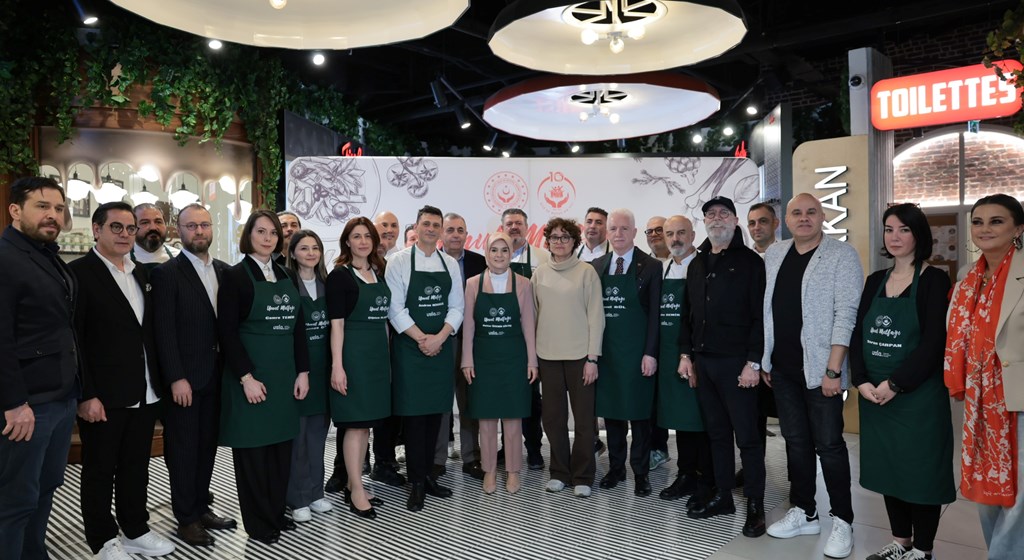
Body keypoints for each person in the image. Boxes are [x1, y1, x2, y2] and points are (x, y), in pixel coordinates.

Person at [848, 203, 954, 560]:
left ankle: (922, 549)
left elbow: (934, 343)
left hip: (917, 396)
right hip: (875, 396)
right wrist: (860, 380)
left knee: (921, 472)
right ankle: (901, 542)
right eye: (889, 229)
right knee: (888, 468)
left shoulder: (934, 280)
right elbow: (857, 333)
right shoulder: (875, 280)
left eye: (904, 229)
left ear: (918, 234)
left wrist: (895, 384)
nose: (895, 237)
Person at [71, 201, 175, 560]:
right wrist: (86, 394)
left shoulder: (141, 273)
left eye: (131, 228)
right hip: (103, 396)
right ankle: (102, 540)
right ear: (96, 230)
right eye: (116, 227)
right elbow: (75, 340)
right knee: (99, 470)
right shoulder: (79, 274)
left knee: (136, 466)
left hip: (144, 391)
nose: (125, 234)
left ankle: (135, 529)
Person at [762, 193, 863, 559]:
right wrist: (765, 359)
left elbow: (846, 314)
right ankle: (805, 511)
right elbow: (767, 310)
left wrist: (834, 369)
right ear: (786, 220)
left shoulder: (842, 255)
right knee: (795, 442)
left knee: (830, 446)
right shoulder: (775, 254)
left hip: (823, 371)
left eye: (811, 212)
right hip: (783, 369)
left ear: (822, 216)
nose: (803, 218)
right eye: (796, 213)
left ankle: (843, 520)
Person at [217, 210, 310, 545]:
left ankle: (275, 513)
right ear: (249, 236)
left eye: (273, 233)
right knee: (254, 455)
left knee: (280, 452)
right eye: (261, 231)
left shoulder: (286, 274)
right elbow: (227, 333)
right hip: (252, 380)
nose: (268, 238)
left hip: (284, 378)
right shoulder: (235, 276)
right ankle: (258, 524)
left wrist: (303, 372)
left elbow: (298, 328)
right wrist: (246, 377)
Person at [677, 197, 767, 537]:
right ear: (704, 222)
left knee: (748, 438)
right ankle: (723, 496)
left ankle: (755, 506)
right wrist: (686, 355)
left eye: (724, 213)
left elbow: (761, 317)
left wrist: (753, 362)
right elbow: (687, 315)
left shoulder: (750, 263)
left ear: (734, 220)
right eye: (711, 214)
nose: (717, 219)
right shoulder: (697, 263)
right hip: (704, 362)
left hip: (738, 365)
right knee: (716, 434)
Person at [0, 177, 79, 560]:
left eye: (59, 209)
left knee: (45, 489)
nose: (53, 215)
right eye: (42, 206)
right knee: (15, 500)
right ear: (15, 210)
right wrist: (15, 403)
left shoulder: (46, 253)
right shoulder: (5, 257)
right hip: (27, 404)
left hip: (60, 396)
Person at [150, 203, 236, 548]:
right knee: (183, 450)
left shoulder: (225, 271)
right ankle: (186, 518)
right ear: (178, 230)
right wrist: (176, 377)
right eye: (191, 226)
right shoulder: (167, 273)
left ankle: (201, 507)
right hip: (185, 379)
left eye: (204, 225)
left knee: (207, 447)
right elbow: (163, 331)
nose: (199, 231)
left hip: (218, 375)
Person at [944, 194, 1024, 560]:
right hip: (978, 400)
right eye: (978, 221)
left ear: (1018, 229)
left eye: (996, 221)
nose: (985, 228)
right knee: (985, 488)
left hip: (1017, 396)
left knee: (1019, 494)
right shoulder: (967, 278)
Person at [385, 205, 464, 512]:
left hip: (440, 350)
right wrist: (422, 339)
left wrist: (440, 338)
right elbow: (395, 309)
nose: (431, 229)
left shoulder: (450, 263)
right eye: (426, 224)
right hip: (410, 351)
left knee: (436, 416)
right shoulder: (399, 261)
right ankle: (416, 482)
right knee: (415, 419)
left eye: (436, 225)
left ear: (441, 230)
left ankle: (429, 476)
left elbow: (456, 307)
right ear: (416, 228)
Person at [592, 209, 663, 497]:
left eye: (624, 228)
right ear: (607, 233)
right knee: (612, 415)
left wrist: (650, 353)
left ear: (634, 232)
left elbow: (655, 314)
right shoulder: (597, 265)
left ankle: (641, 473)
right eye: (613, 228)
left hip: (637, 354)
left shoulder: (651, 266)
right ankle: (616, 468)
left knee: (640, 416)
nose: (618, 233)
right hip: (608, 354)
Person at [532, 217, 604, 497]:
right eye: (554, 237)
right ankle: (559, 472)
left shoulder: (586, 272)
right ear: (547, 241)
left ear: (575, 241)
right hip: (548, 356)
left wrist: (592, 358)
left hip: (580, 358)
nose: (559, 242)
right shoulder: (540, 274)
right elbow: (533, 317)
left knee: (584, 420)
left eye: (565, 237)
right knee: (553, 419)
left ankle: (583, 475)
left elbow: (596, 317)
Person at [462, 232, 538, 494]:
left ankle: (514, 471)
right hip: (483, 359)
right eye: (494, 250)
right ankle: (490, 470)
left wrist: (532, 361)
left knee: (513, 419)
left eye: (504, 250)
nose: (499, 255)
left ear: (511, 254)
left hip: (515, 359)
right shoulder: (473, 284)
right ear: (486, 253)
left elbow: (528, 326)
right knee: (486, 420)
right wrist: (467, 360)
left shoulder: (523, 283)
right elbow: (468, 326)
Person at [327, 217, 392, 520]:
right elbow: (337, 326)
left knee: (366, 425)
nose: (363, 241)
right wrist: (337, 366)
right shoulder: (340, 276)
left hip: (376, 358)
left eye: (367, 236)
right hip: (353, 357)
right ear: (347, 242)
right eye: (356, 236)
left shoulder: (378, 272)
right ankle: (353, 490)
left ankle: (357, 484)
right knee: (354, 425)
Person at [655, 215, 712, 505]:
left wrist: (690, 355)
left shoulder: (704, 266)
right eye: (670, 234)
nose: (675, 239)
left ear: (692, 235)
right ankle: (686, 473)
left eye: (681, 233)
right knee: (680, 420)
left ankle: (706, 478)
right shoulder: (663, 268)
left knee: (701, 420)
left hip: (695, 356)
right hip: (668, 357)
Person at [284, 230, 333, 523]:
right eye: (304, 248)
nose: (311, 253)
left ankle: (316, 492)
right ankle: (297, 497)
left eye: (315, 248)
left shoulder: (328, 283)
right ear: (292, 253)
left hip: (324, 367)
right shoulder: (286, 285)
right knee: (298, 438)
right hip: (298, 368)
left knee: (318, 435)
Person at [439, 212, 487, 481]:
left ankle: (471, 457)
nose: (456, 235)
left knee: (470, 403)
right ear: (441, 234)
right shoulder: (432, 262)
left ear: (467, 234)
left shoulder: (480, 262)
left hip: (471, 341)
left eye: (460, 230)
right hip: (441, 341)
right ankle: (437, 460)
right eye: (450, 230)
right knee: (440, 402)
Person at [502, 208, 548, 470]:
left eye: (518, 223)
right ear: (502, 228)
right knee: (504, 394)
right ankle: (506, 447)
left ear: (527, 227)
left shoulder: (542, 257)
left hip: (533, 338)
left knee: (531, 398)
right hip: (502, 339)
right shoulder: (494, 257)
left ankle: (534, 448)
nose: (514, 227)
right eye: (509, 223)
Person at [741, 202, 782, 488]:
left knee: (791, 424)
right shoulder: (743, 259)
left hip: (781, 352)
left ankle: (798, 481)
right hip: (750, 351)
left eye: (763, 221)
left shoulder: (787, 256)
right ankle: (751, 472)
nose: (757, 227)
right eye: (752, 223)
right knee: (751, 419)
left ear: (776, 224)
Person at [645, 214, 673, 471]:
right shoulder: (644, 265)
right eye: (650, 231)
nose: (654, 235)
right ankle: (657, 448)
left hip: (677, 344)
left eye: (659, 230)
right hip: (652, 342)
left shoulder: (684, 263)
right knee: (652, 400)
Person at [131, 203, 180, 271]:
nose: (153, 227)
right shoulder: (121, 259)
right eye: (145, 222)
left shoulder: (179, 258)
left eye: (158, 222)